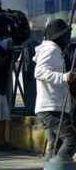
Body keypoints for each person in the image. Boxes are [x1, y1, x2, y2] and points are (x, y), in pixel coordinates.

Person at [34, 18, 76, 161]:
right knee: (71, 140)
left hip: (53, 106)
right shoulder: (51, 49)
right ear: (59, 36)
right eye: (66, 35)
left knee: (55, 144)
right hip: (50, 107)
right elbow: (39, 72)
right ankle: (58, 166)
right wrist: (64, 77)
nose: (68, 38)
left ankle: (51, 164)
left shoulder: (56, 50)